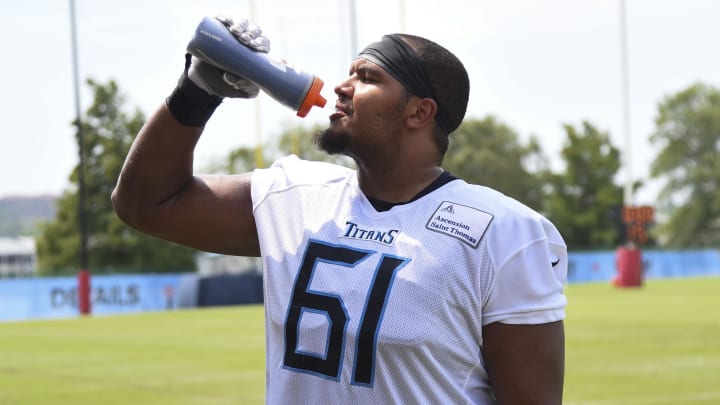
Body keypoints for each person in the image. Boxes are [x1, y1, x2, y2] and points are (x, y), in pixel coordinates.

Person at [112, 15, 568, 404]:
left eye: (368, 77)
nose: (342, 87)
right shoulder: (293, 196)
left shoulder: (505, 232)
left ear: (418, 113)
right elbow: (145, 203)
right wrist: (197, 91)